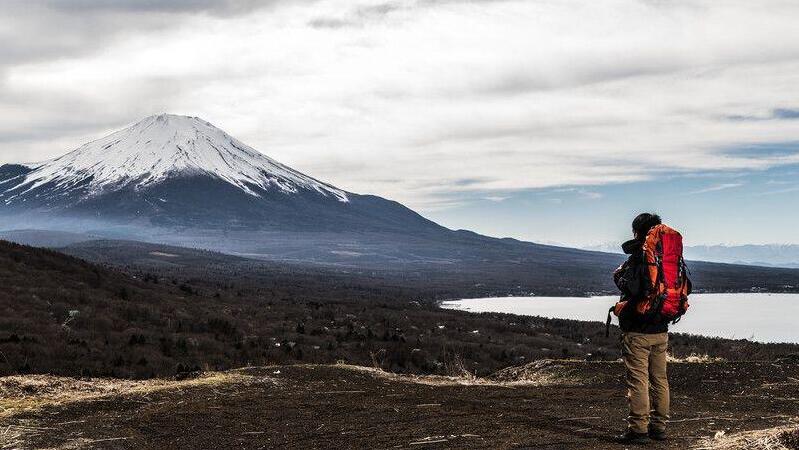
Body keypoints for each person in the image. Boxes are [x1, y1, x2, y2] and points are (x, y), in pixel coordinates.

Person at [613, 213, 670, 444]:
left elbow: (634, 289)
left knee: (638, 381)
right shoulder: (666, 255)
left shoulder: (641, 256)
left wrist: (619, 277)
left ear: (638, 232)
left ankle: (638, 430)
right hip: (661, 327)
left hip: (638, 329)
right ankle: (659, 427)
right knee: (660, 379)